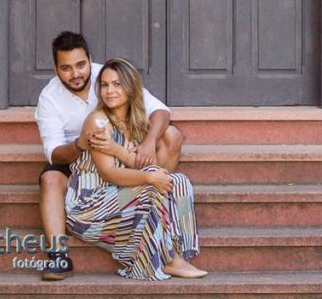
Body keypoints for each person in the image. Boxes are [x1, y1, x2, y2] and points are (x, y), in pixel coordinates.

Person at [35, 31, 182, 281]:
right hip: (79, 158)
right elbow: (55, 153)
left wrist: (148, 143)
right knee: (50, 179)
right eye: (66, 68)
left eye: (81, 65)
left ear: (90, 60)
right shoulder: (49, 97)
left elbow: (160, 111)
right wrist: (80, 144)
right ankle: (59, 256)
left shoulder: (108, 76)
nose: (76, 74)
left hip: (120, 148)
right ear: (55, 68)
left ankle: (158, 210)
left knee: (171, 135)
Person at [66, 58, 206, 280]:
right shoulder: (98, 122)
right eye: (104, 85)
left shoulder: (137, 122)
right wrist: (149, 178)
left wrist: (119, 151)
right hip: (89, 207)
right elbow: (108, 173)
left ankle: (174, 250)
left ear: (131, 87)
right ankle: (169, 259)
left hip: (119, 199)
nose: (109, 91)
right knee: (151, 185)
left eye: (117, 84)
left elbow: (146, 166)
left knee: (178, 181)